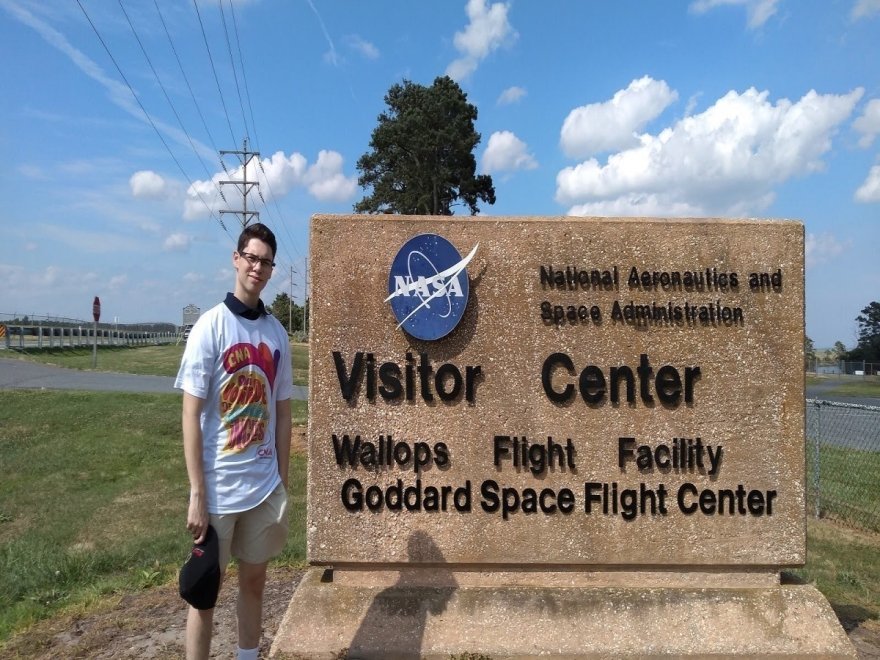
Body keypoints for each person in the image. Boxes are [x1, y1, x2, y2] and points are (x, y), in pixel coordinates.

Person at [175, 222, 293, 660]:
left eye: (266, 262)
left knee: (254, 582)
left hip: (262, 485)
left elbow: (283, 413)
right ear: (236, 259)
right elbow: (190, 413)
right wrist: (197, 493)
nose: (257, 268)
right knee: (204, 591)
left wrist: (283, 478)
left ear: (271, 269)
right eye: (251, 258)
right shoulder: (211, 327)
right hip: (219, 489)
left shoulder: (276, 333)